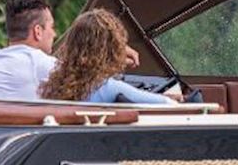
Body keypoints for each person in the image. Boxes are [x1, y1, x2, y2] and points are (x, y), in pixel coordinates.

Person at [39, 9, 183, 104]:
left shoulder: (54, 86)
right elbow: (170, 105)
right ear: (112, 50)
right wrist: (168, 98)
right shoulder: (109, 88)